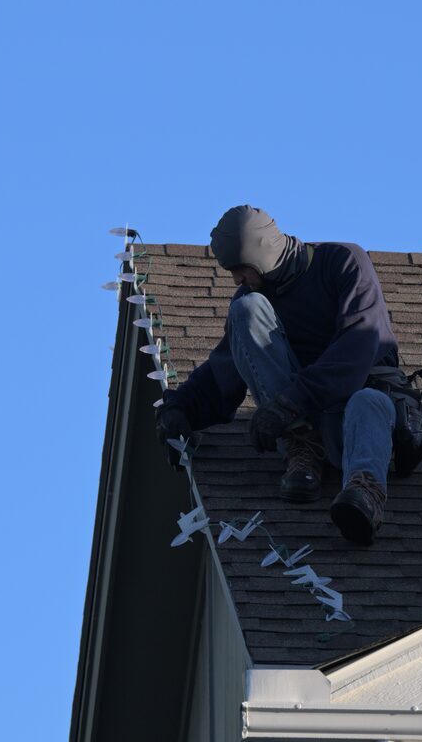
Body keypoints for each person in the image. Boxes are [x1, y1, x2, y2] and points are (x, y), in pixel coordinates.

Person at [156, 205, 400, 546]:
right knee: (245, 308)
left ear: (262, 254)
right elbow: (225, 367)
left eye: (240, 269)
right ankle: (303, 445)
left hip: (360, 421)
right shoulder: (254, 297)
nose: (237, 280)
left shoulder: (344, 262)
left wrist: (288, 404)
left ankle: (363, 496)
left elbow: (357, 349)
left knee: (369, 400)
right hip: (309, 421)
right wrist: (180, 408)